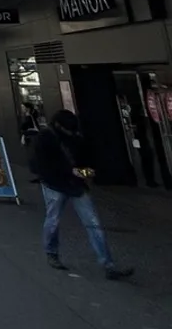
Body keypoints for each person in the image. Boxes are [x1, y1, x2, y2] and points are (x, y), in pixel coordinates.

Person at [33, 110, 133, 279]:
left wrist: (87, 171)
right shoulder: (46, 138)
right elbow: (42, 166)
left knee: (88, 222)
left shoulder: (72, 137)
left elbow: (86, 157)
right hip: (56, 184)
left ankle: (107, 264)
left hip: (72, 184)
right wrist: (73, 171)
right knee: (56, 220)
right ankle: (52, 252)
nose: (72, 132)